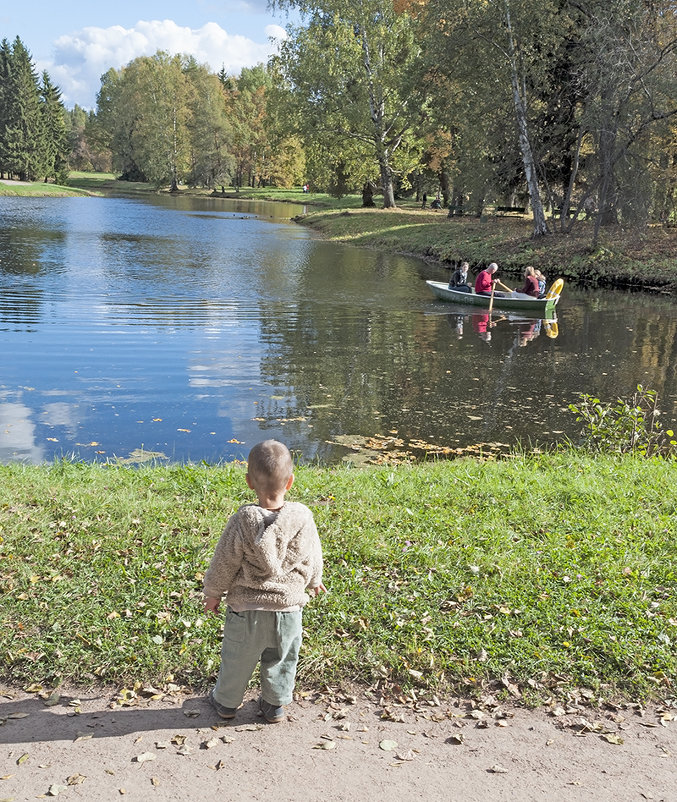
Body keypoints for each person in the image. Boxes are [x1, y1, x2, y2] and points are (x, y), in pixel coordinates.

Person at [203, 440, 326, 724]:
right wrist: (315, 580)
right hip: (287, 609)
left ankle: (225, 703)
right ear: (291, 482)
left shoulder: (243, 521)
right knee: (281, 660)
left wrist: (213, 592)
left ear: (249, 482)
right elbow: (312, 552)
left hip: (247, 609)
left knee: (236, 659)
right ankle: (274, 706)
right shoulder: (302, 518)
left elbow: (225, 561)